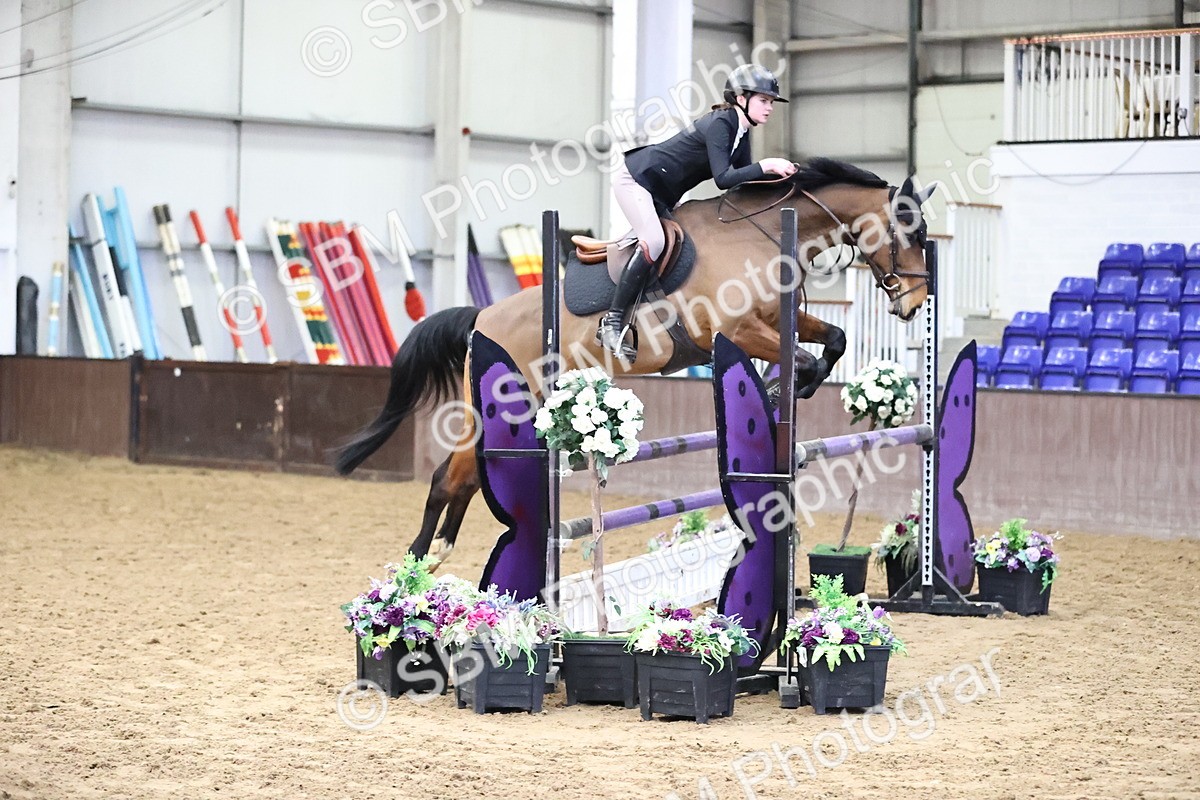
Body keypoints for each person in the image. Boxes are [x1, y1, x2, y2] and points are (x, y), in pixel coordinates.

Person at [598, 63, 797, 356]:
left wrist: (785, 178)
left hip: (661, 194)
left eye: (770, 103)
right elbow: (723, 179)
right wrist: (768, 165)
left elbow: (743, 179)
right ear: (741, 98)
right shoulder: (721, 123)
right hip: (637, 181)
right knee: (654, 241)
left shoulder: (741, 130)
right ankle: (612, 324)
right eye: (764, 100)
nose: (769, 108)